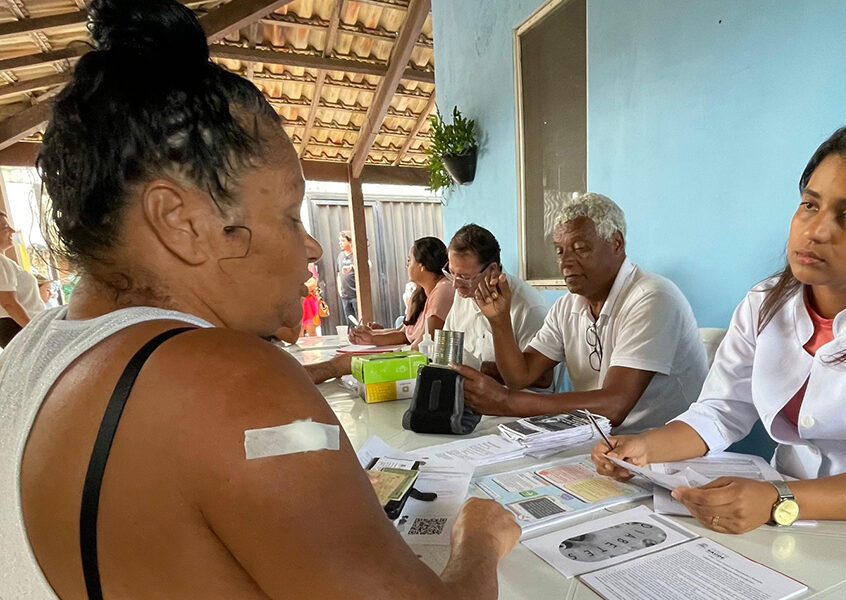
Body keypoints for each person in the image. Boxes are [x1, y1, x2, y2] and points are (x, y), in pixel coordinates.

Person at [0, 2, 519, 598]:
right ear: (181, 222)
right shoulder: (232, 382)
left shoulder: (34, 349)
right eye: (289, 214)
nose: (312, 249)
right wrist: (479, 539)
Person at [591, 118, 846, 591]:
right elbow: (720, 411)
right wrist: (645, 448)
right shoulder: (766, 299)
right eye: (810, 204)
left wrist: (778, 498)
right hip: (793, 530)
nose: (816, 230)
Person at [453, 193, 708, 434]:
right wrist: (499, 321)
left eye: (580, 248)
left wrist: (506, 401)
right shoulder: (568, 306)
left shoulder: (652, 298)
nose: (565, 262)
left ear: (616, 243)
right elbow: (520, 376)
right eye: (560, 251)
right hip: (599, 442)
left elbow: (614, 405)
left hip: (667, 451)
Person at [443, 224, 550, 387]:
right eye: (451, 273)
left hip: (520, 404)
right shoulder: (463, 295)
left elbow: (542, 380)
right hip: (470, 398)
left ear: (492, 269)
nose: (455, 285)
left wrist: (478, 368)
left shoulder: (529, 307)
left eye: (464, 277)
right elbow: (446, 350)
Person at [348, 237, 454, 349]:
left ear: (422, 265)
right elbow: (404, 334)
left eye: (409, 261)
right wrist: (370, 336)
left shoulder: (444, 290)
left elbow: (426, 342)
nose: (407, 266)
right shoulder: (420, 294)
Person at [0, 210, 46, 348]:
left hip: (19, 326)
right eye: (5, 227)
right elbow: (9, 302)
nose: (12, 231)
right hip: (18, 326)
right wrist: (33, 332)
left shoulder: (5, 261)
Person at [337, 230, 358, 325]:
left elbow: (368, 265)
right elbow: (338, 274)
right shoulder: (340, 256)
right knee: (350, 322)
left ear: (350, 242)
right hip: (345, 295)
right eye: (339, 241)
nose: (340, 243)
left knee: (359, 321)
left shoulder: (356, 255)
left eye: (342, 241)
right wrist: (340, 290)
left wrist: (352, 267)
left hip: (356, 295)